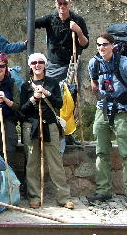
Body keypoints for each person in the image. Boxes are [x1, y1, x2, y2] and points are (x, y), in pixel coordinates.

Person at [86, 33, 127, 207]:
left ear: (113, 45)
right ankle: (103, 191)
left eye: (105, 45)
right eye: (99, 45)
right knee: (101, 152)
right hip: (103, 110)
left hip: (122, 111)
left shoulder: (126, 64)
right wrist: (100, 100)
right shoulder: (94, 63)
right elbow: (93, 83)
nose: (102, 48)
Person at [20, 53, 74, 210]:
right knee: (32, 162)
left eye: (40, 62)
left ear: (45, 65)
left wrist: (45, 92)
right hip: (31, 126)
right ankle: (34, 196)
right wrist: (33, 99)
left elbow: (59, 103)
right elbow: (22, 110)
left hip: (49, 125)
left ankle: (63, 197)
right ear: (30, 66)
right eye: (34, 62)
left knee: (55, 162)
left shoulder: (52, 83)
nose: (37, 65)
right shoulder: (25, 86)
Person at [35, 0, 89, 145]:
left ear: (70, 3)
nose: (62, 6)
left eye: (65, 3)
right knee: (52, 96)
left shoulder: (77, 20)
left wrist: (78, 31)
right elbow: (31, 23)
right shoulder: (50, 19)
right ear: (56, 4)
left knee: (69, 98)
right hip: (53, 65)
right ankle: (53, 130)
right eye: (59, 3)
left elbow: (85, 44)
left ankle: (68, 133)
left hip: (71, 63)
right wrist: (30, 3)